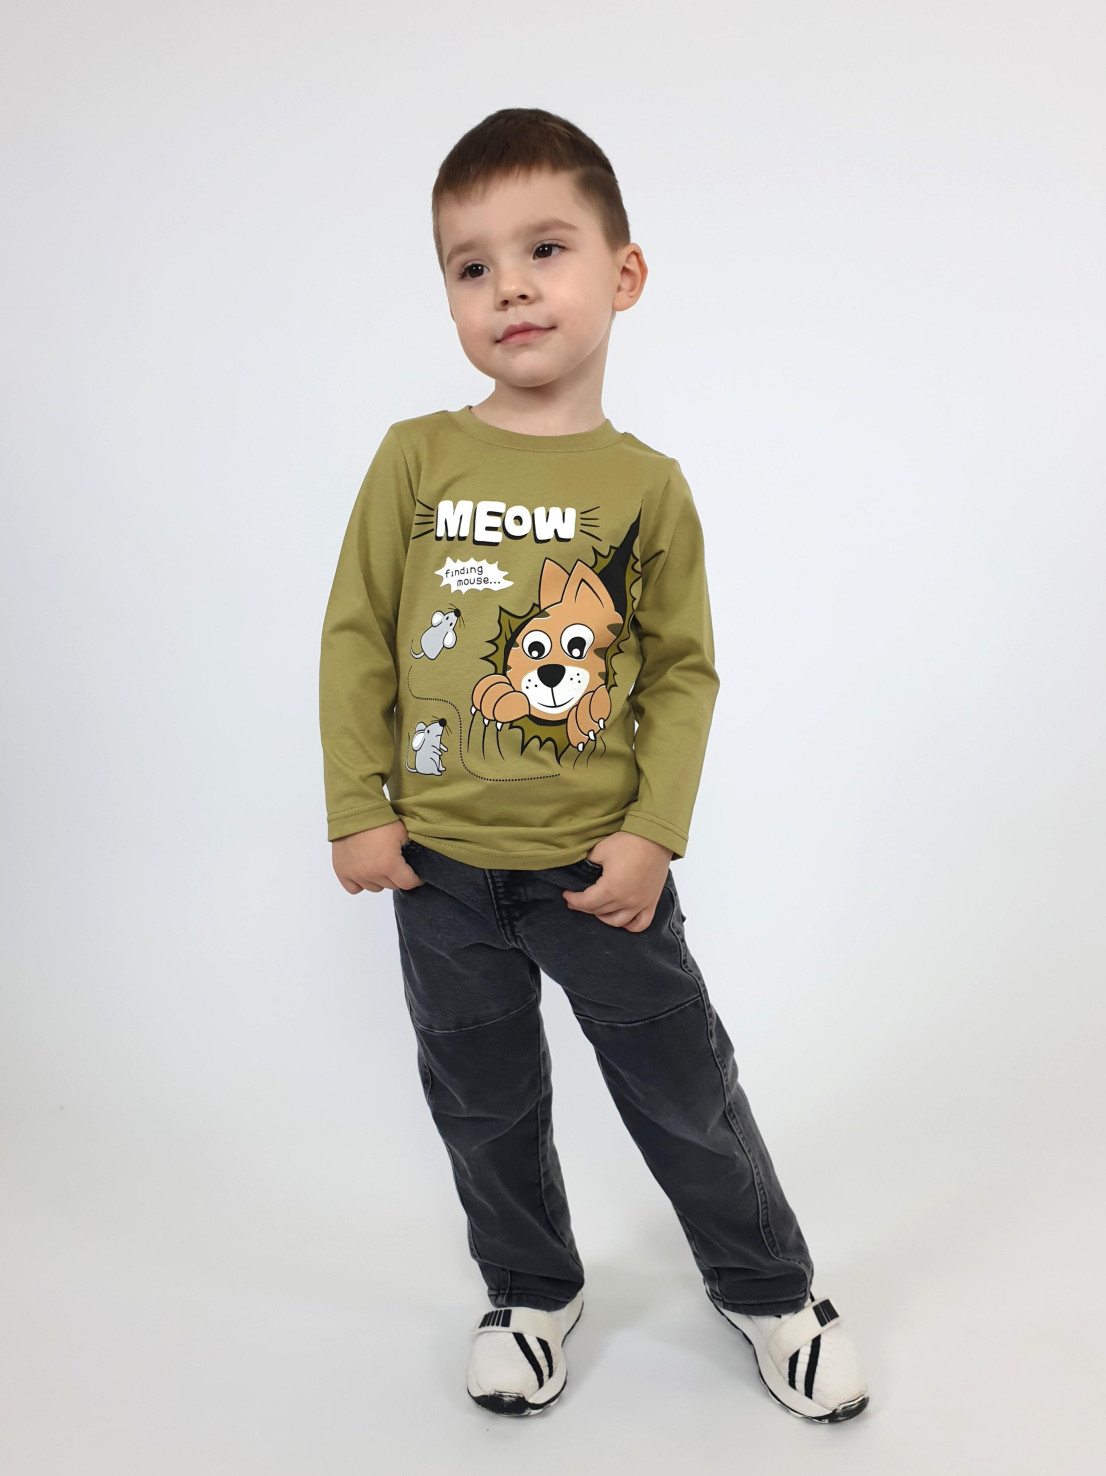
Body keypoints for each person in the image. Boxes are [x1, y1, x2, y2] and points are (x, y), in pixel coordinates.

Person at [318, 107, 868, 1423]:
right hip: (439, 874)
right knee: (484, 1103)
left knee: (685, 1096)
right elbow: (357, 636)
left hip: (597, 875)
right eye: (472, 265)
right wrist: (356, 806)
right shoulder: (415, 458)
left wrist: (652, 833)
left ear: (623, 274)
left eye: (545, 249)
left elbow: (680, 669)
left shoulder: (646, 486)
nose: (508, 285)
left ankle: (767, 1289)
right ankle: (530, 1292)